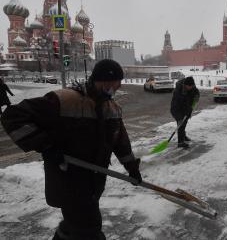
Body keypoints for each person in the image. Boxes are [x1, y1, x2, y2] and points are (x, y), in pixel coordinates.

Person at [1, 59, 142, 240]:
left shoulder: (112, 109)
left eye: (117, 83)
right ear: (97, 80)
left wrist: (132, 167)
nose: (114, 87)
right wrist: (47, 145)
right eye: (110, 82)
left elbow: (120, 142)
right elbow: (13, 117)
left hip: (95, 180)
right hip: (68, 178)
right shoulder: (64, 101)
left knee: (73, 226)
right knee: (89, 229)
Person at [170, 76, 200, 149]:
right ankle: (180, 142)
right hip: (177, 108)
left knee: (184, 123)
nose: (190, 88)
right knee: (180, 124)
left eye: (191, 86)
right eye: (189, 86)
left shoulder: (193, 88)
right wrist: (181, 115)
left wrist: (193, 104)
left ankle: (183, 136)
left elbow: (196, 95)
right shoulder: (178, 91)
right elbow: (177, 105)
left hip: (187, 108)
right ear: (185, 85)